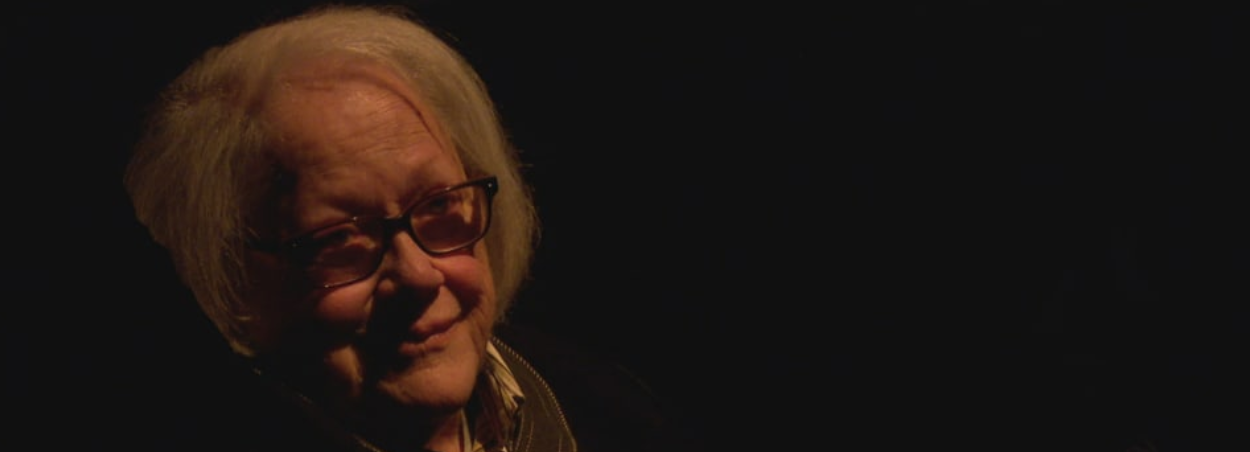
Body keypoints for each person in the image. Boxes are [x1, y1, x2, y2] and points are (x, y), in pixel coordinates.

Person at [123, 4, 697, 452]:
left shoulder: (608, 410)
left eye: (440, 206)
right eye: (342, 239)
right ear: (227, 278)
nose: (420, 275)